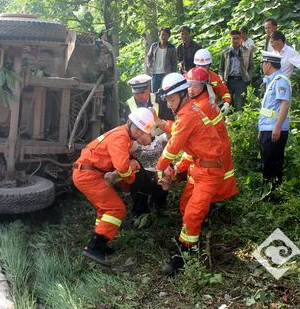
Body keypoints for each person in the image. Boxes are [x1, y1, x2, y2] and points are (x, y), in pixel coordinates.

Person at [153, 73, 225, 275]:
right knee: (185, 206)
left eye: (172, 99)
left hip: (209, 172)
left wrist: (161, 168)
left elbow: (173, 147)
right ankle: (192, 239)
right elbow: (177, 130)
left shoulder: (188, 115)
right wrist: (175, 169)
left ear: (183, 95)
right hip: (199, 168)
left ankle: (184, 255)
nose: (169, 104)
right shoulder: (188, 112)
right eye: (167, 100)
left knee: (193, 213)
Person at [73, 108, 155, 266]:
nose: (138, 133)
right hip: (88, 175)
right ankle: (94, 247)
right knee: (116, 209)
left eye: (141, 131)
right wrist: (132, 180)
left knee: (105, 209)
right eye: (137, 128)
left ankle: (99, 242)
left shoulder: (123, 135)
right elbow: (122, 167)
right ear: (129, 123)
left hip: (88, 173)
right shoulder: (121, 137)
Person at [185, 67, 238, 203]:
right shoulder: (204, 101)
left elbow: (188, 133)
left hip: (214, 149)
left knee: (209, 187)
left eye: (195, 85)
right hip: (217, 146)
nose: (190, 89)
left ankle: (209, 210)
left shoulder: (202, 106)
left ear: (203, 86)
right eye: (189, 85)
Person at [123, 74, 171, 220]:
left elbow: (169, 122)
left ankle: (158, 204)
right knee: (138, 178)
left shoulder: (160, 101)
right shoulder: (128, 104)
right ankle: (139, 210)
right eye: (136, 93)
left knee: (162, 174)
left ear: (149, 88)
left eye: (142, 92)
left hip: (159, 143)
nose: (139, 96)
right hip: (138, 147)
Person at [258, 51, 291, 194]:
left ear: (268, 64)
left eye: (263, 64)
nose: (262, 67)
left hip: (274, 128)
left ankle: (273, 193)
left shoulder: (280, 80)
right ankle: (268, 191)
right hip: (268, 127)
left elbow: (285, 104)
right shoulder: (271, 80)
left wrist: (277, 127)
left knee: (273, 162)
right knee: (267, 160)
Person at [219, 30, 255, 111]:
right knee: (227, 105)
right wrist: (222, 80)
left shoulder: (246, 51)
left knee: (240, 106)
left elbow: (252, 67)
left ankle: (240, 122)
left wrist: (248, 78)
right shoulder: (225, 52)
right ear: (230, 39)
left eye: (237, 38)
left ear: (241, 39)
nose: (235, 41)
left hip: (241, 81)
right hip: (228, 81)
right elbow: (221, 69)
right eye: (233, 38)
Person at [193, 48, 231, 114]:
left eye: (204, 66)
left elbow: (224, 92)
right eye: (199, 66)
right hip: (195, 112)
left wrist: (226, 103)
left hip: (211, 110)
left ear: (209, 65)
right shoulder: (190, 77)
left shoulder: (214, 78)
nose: (201, 69)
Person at [146, 28, 178, 93]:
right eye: (162, 34)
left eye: (166, 35)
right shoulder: (154, 46)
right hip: (155, 74)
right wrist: (150, 67)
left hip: (166, 74)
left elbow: (174, 62)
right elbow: (149, 57)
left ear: (168, 36)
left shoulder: (171, 47)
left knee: (166, 93)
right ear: (159, 35)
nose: (163, 37)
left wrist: (172, 73)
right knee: (154, 94)